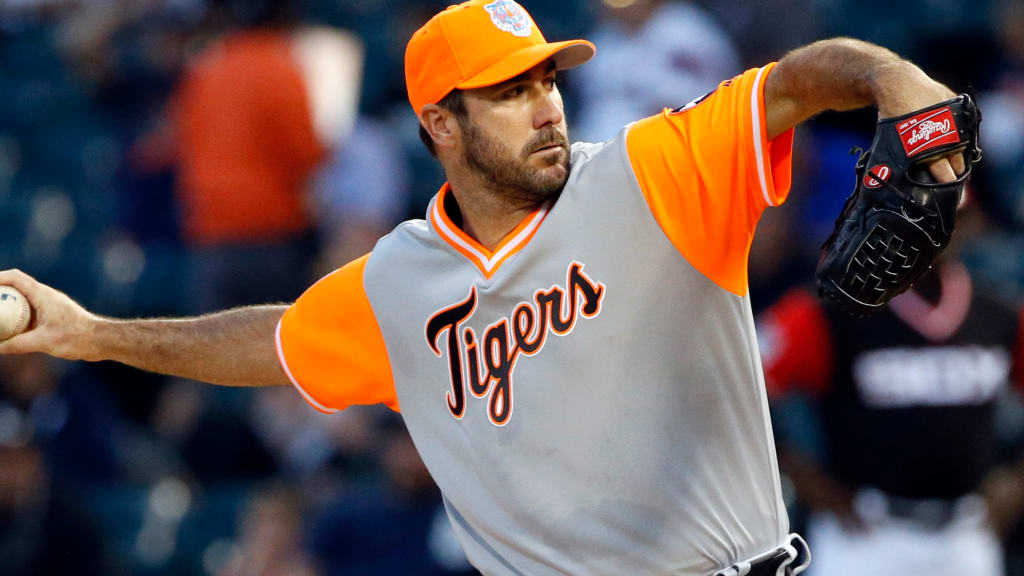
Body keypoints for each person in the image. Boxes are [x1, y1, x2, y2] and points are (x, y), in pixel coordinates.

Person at [0, 1, 970, 574]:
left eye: (546, 80)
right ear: (439, 124)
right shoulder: (401, 280)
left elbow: (798, 81)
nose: (544, 105)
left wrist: (899, 87)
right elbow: (278, 340)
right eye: (509, 91)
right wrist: (97, 333)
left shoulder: (652, 173)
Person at [757, 257, 1024, 576]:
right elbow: (740, 392)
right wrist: (801, 475)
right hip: (864, 533)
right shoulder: (831, 310)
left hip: (968, 531)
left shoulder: (997, 311)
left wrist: (1020, 483)